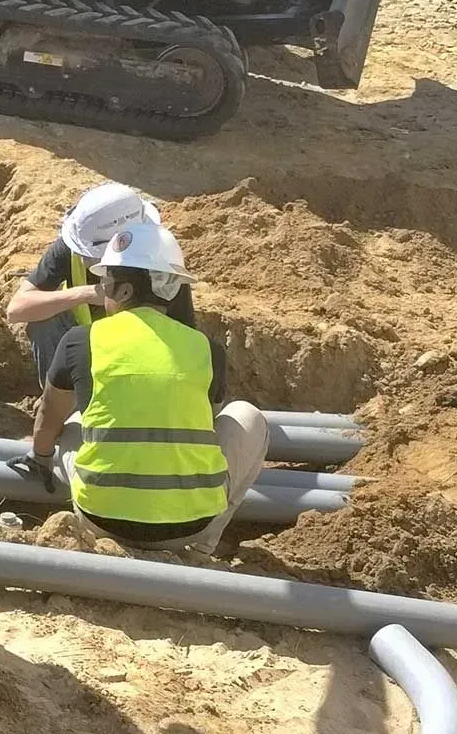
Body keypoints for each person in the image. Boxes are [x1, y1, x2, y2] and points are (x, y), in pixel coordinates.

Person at [16, 214, 269, 561]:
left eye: (106, 284)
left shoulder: (82, 341)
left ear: (123, 290)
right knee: (246, 415)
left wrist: (40, 457)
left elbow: (48, 416)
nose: (102, 292)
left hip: (102, 521)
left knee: (73, 422)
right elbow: (203, 428)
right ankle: (200, 549)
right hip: (191, 524)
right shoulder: (205, 349)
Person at [5, 179, 158, 385]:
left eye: (88, 253)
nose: (81, 255)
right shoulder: (73, 246)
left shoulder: (159, 258)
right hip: (86, 349)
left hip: (139, 358)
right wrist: (88, 294)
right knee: (44, 319)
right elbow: (17, 310)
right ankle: (61, 398)